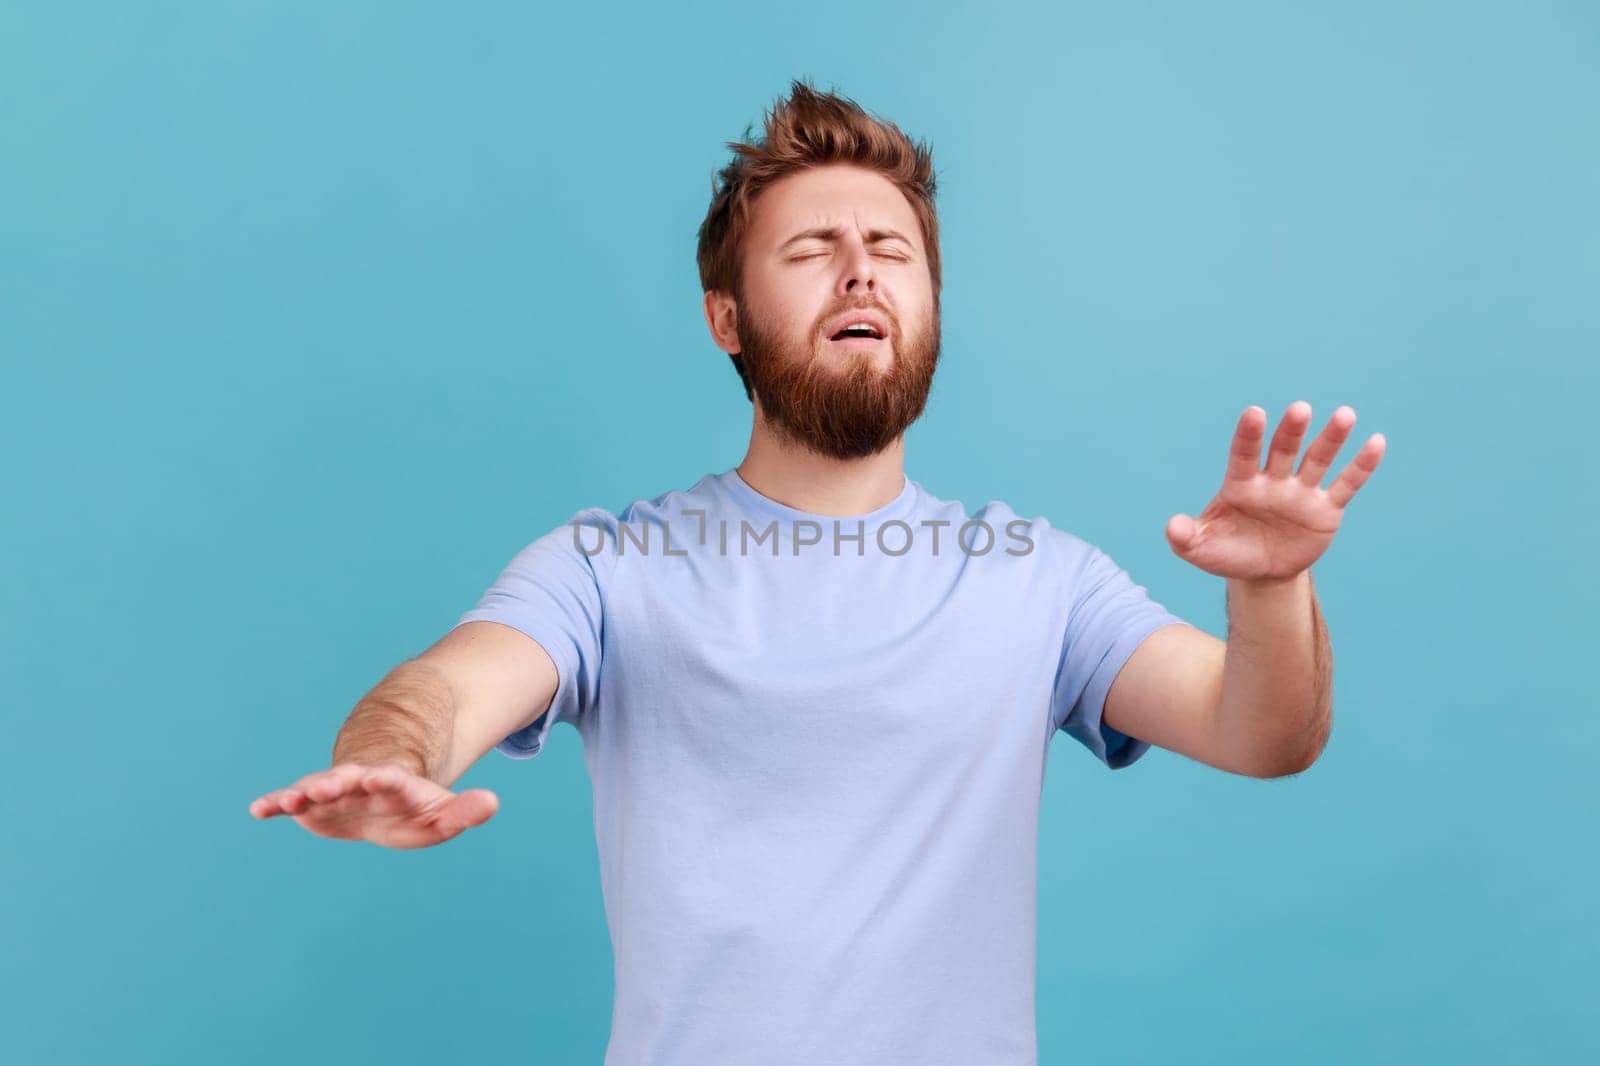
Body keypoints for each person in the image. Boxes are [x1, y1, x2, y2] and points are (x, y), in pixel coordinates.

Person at [249, 79, 1386, 1065]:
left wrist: (1270, 588)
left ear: (930, 306)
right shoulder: (612, 567)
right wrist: (386, 764)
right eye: (811, 251)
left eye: (890, 251)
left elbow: (1262, 733)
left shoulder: (1035, 578)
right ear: (725, 319)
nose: (859, 274)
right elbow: (441, 691)